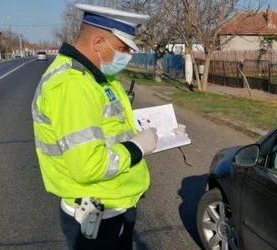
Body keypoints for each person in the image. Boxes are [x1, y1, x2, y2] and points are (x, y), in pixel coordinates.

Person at [31, 4, 183, 249]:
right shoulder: (72, 87)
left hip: (113, 206)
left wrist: (162, 129)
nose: (127, 56)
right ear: (99, 42)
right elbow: (88, 166)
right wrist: (136, 147)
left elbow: (115, 123)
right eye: (123, 48)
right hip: (97, 217)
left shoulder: (98, 77)